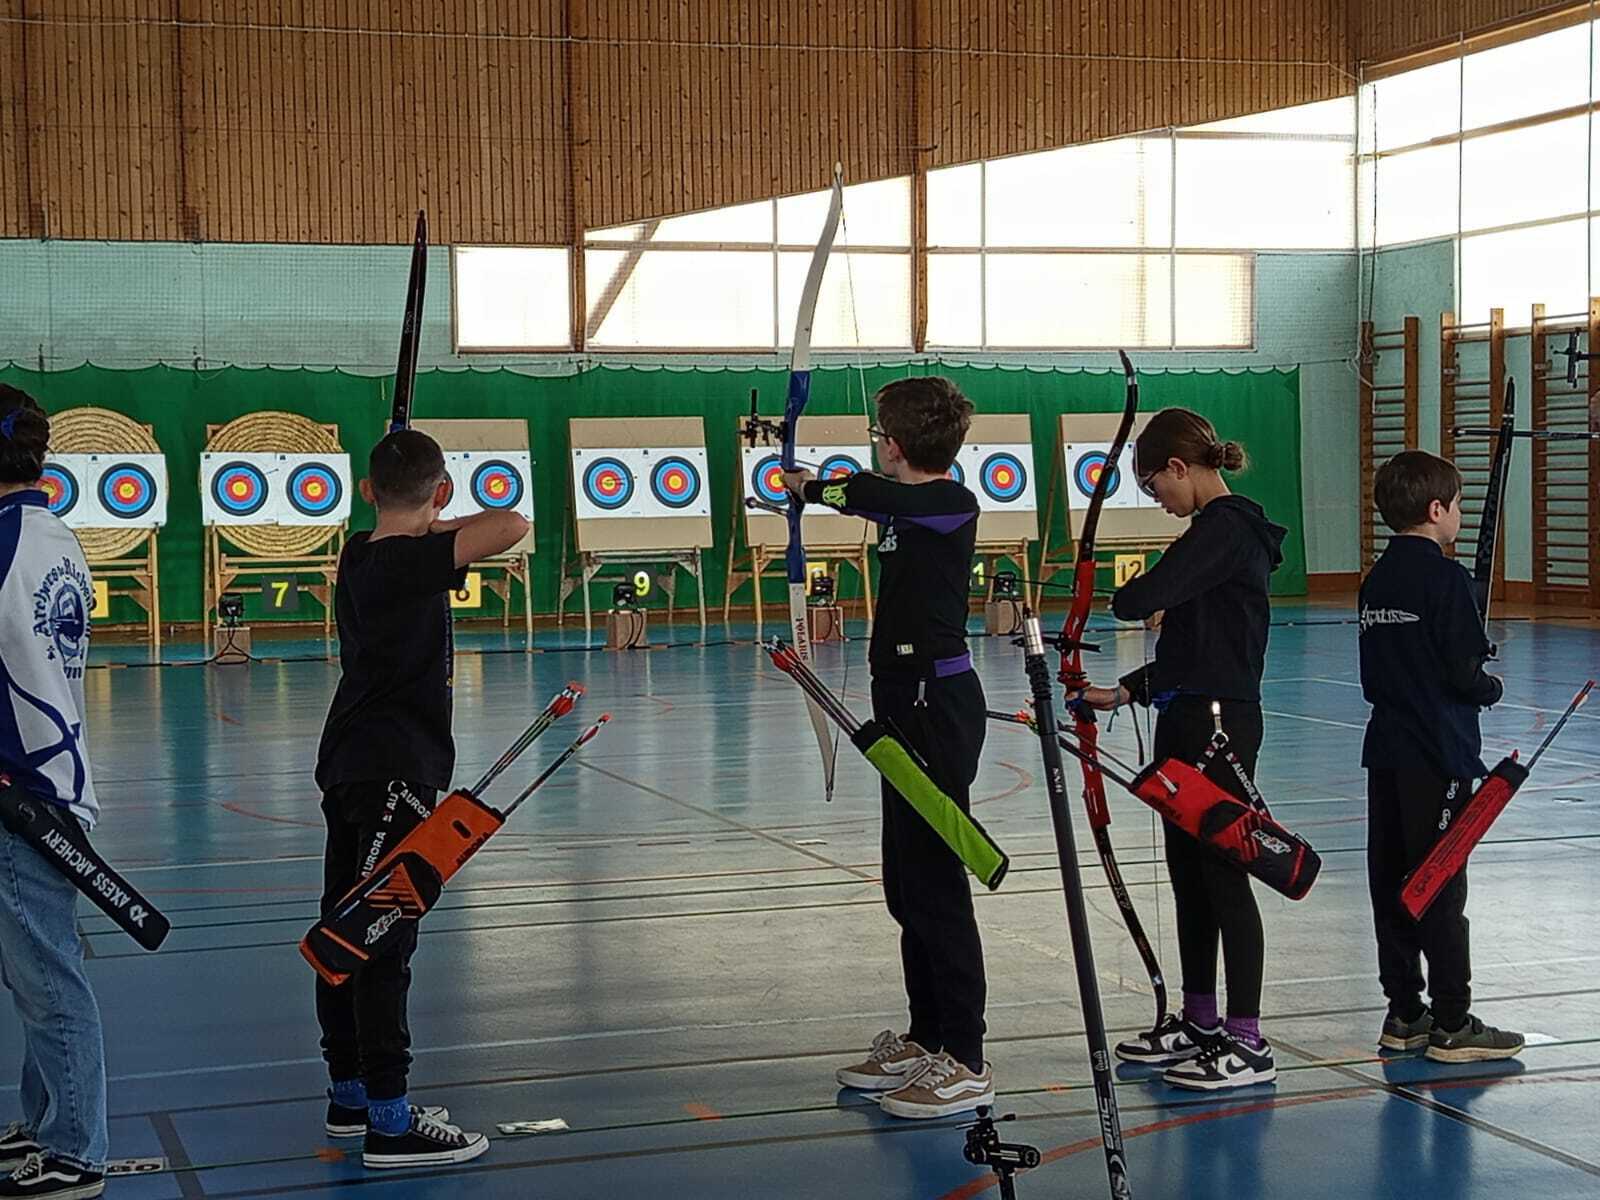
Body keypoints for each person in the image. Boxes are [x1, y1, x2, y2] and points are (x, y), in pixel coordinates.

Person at [313, 428, 528, 1168]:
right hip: (391, 771)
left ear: (367, 490)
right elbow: (511, 524)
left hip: (355, 764)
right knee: (380, 939)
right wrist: (439, 520)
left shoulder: (362, 550)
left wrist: (426, 519)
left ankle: (350, 1094)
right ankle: (390, 1118)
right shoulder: (405, 562)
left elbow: (439, 530)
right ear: (440, 490)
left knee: (343, 926)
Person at [785, 377, 993, 1120]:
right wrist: (820, 491)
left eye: (880, 434)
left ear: (895, 444)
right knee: (906, 882)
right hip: (901, 699)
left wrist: (813, 488)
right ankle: (928, 1034)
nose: (877, 443)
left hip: (937, 705)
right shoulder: (905, 504)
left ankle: (965, 1057)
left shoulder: (947, 502)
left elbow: (884, 498)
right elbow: (879, 498)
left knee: (936, 883)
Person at [1080, 408, 1285, 1091]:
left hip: (1219, 729)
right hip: (1188, 715)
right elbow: (1194, 645)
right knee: (1188, 874)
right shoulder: (1210, 537)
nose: (1157, 500)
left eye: (1155, 486)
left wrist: (1116, 592)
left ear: (1179, 467)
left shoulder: (1226, 530)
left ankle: (1248, 1039)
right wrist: (1128, 692)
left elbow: (1141, 601)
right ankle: (1200, 1019)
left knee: (1225, 872)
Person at [1357, 449, 1523, 1063]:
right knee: (1438, 883)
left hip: (1388, 751)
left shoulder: (1377, 578)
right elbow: (1461, 673)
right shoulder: (1446, 579)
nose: (1458, 516)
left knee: (1393, 880)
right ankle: (1452, 1019)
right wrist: (1489, 685)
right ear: (1437, 510)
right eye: (1455, 506)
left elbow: (1381, 672)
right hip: (1438, 752)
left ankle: (1404, 1012)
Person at [0, 384, 108, 1198]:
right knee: (34, 967)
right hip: (52, 781)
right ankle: (44, 1128)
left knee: (47, 977)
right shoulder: (53, 532)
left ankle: (76, 1150)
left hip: (18, 788)